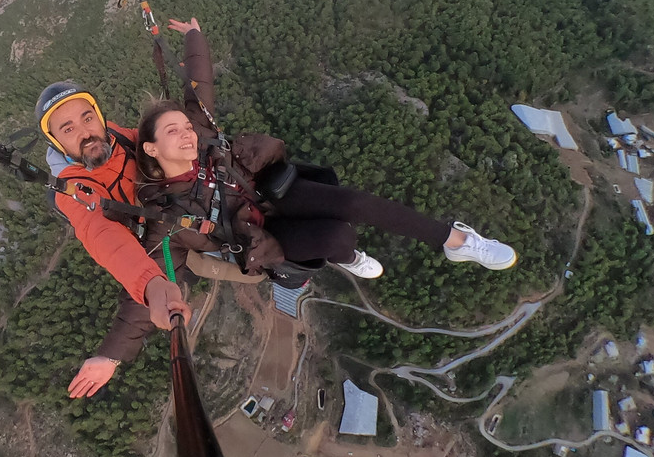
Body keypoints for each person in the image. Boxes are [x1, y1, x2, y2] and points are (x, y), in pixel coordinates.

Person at [134, 17, 517, 285]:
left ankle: (456, 241)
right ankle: (348, 257)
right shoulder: (164, 215)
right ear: (151, 148)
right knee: (338, 239)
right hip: (257, 235)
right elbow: (154, 270)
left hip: (267, 190)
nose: (187, 134)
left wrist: (195, 37)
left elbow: (199, 85)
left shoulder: (201, 135)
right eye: (174, 130)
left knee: (353, 203)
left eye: (186, 126)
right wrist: (162, 303)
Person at [35, 80, 194, 400]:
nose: (86, 132)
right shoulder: (72, 190)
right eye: (68, 129)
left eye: (87, 118)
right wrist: (151, 287)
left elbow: (172, 137)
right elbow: (103, 236)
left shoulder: (120, 137)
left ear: (99, 115)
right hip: (159, 239)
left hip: (177, 210)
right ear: (57, 144)